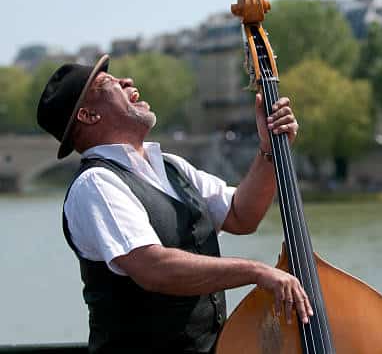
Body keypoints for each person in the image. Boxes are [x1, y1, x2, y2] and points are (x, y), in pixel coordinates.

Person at [36, 54, 313, 353]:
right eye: (108, 83)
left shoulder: (171, 166)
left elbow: (240, 215)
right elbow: (153, 267)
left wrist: (269, 150)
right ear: (89, 116)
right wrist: (256, 271)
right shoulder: (96, 185)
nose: (126, 80)